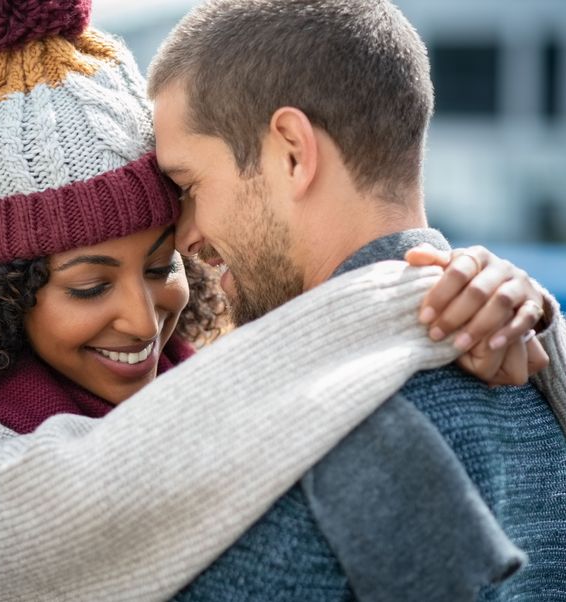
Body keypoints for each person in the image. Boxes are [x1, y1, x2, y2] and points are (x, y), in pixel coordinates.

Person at [0, 1, 565, 600]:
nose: (144, 318)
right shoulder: (505, 359)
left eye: (185, 198)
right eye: (89, 284)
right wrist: (411, 297)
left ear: (292, 151)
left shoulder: (451, 367)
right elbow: (84, 485)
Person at [147, 0, 566, 599]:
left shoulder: (301, 440)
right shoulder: (541, 375)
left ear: (292, 151)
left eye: (188, 185)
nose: (184, 233)